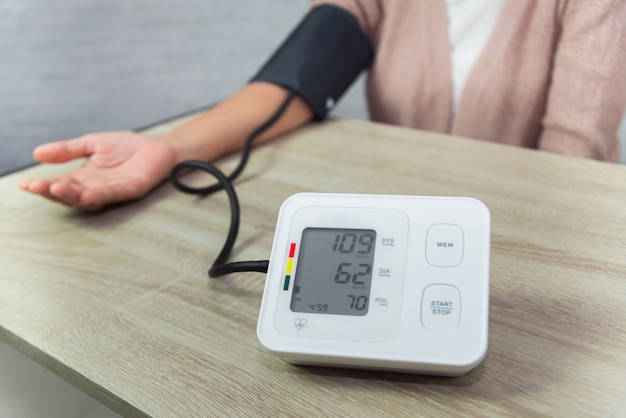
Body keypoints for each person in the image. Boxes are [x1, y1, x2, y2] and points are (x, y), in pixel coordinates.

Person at [19, 0, 626, 211]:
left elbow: (573, 159)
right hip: (407, 223)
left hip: (527, 233)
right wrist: (173, 147)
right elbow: (301, 76)